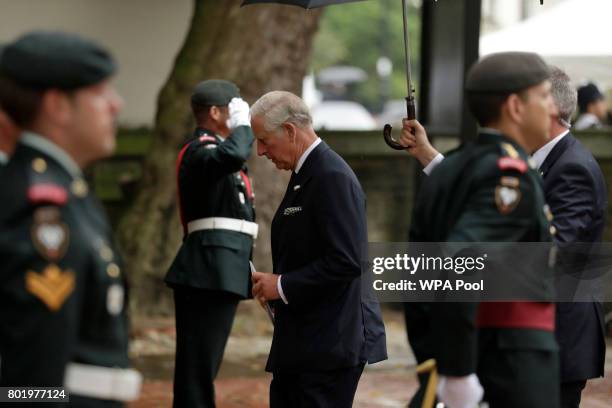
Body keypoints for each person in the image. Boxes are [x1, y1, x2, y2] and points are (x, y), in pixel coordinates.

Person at [402, 66, 607, 408]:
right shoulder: (510, 165)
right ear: (517, 107)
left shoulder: (573, 166)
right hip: (498, 344)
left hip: (553, 341)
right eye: (540, 97)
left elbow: (554, 255)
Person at [0, 31, 141, 405]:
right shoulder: (40, 208)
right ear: (57, 106)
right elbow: (31, 379)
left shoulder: (66, 189)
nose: (116, 105)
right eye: (101, 92)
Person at [249, 91, 387, 407]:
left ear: (289, 131)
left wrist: (282, 285)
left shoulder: (332, 176)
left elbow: (347, 260)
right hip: (307, 340)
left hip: (329, 344)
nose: (260, 151)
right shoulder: (308, 173)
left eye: (264, 140)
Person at [164, 79, 256, 408]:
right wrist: (243, 124)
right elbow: (232, 156)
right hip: (207, 269)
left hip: (220, 267)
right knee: (197, 368)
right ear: (215, 112)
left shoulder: (215, 151)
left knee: (204, 365)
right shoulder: (201, 151)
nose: (238, 116)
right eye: (233, 109)